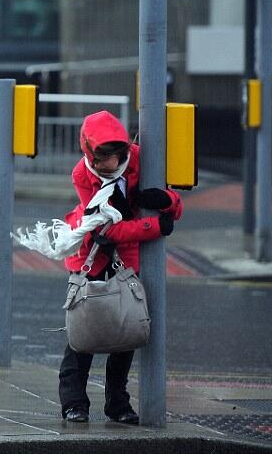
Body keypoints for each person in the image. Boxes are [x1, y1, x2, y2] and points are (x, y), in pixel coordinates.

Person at [58, 110, 183, 425]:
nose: (105, 167)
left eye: (112, 158)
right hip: (92, 252)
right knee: (84, 332)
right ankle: (74, 403)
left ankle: (118, 403)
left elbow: (175, 207)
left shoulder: (142, 160)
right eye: (99, 160)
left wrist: (166, 200)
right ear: (88, 154)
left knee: (125, 330)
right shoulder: (81, 174)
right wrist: (153, 226)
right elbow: (106, 229)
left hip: (127, 259)